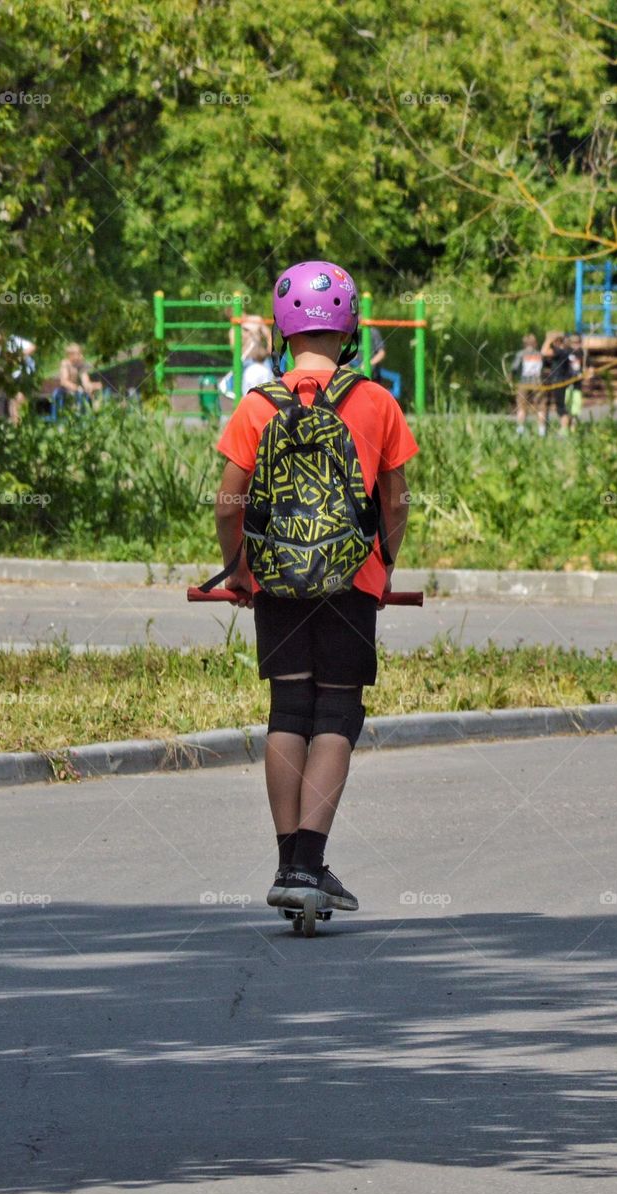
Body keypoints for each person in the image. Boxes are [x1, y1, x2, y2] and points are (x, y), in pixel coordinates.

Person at [213, 260, 418, 919]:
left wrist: (240, 569)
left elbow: (227, 502)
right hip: (350, 580)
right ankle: (308, 862)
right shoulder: (376, 403)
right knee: (337, 711)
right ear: (350, 323)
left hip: (276, 578)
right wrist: (380, 566)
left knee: (288, 708)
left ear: (282, 328)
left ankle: (287, 865)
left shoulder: (255, 406)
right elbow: (395, 501)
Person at [510, 333, 545, 434]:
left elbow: (514, 368)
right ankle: (541, 430)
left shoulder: (521, 354)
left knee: (521, 407)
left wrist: (510, 378)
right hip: (537, 383)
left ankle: (520, 429)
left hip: (524, 383)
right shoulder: (539, 354)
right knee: (540, 407)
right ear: (535, 343)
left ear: (524, 344)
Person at [542, 331, 572, 430]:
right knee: (556, 407)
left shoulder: (560, 351)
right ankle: (564, 428)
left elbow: (544, 352)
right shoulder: (564, 351)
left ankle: (564, 430)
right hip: (558, 381)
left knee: (561, 408)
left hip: (558, 382)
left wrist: (548, 339)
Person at [57, 343, 98, 408]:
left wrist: (89, 385)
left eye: (81, 353)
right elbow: (64, 382)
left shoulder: (80, 364)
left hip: (77, 390)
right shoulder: (65, 363)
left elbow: (85, 380)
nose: (81, 355)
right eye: (78, 353)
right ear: (71, 354)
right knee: (79, 393)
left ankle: (94, 408)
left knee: (95, 387)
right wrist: (77, 388)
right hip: (65, 391)